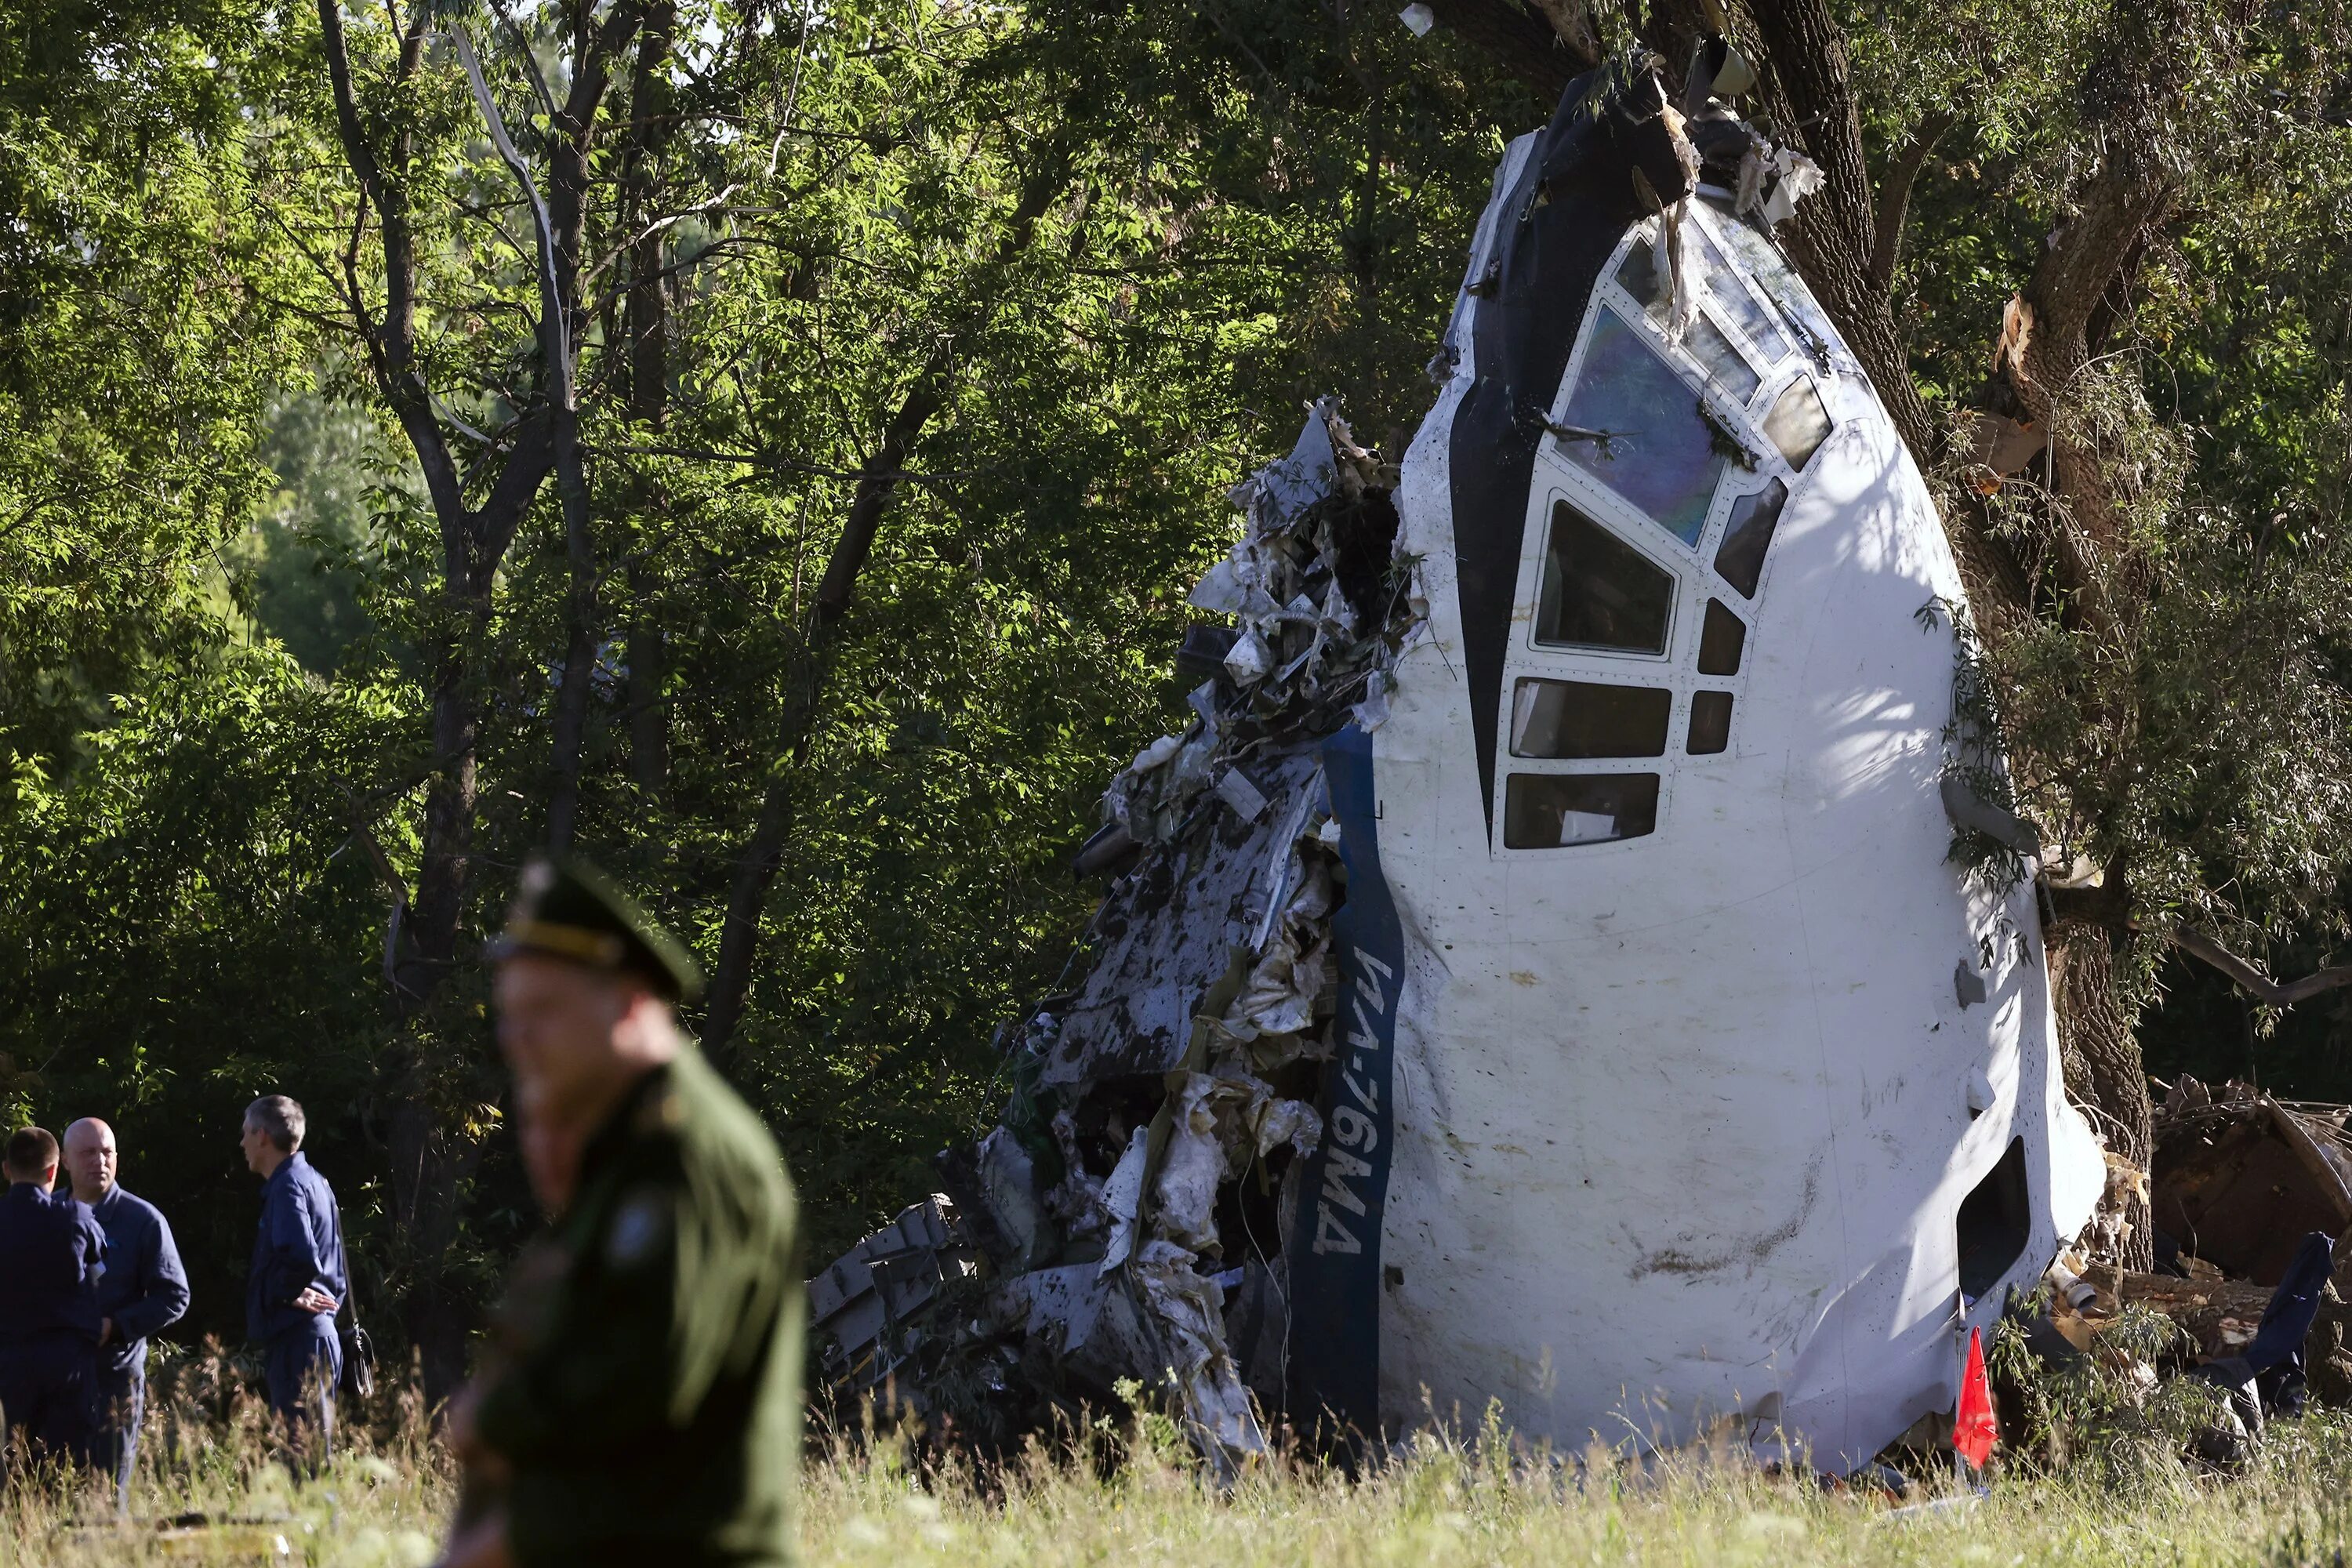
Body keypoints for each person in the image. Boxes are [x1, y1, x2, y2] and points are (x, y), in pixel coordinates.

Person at [435, 855, 803, 1568]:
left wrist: (509, 1524)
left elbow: (641, 1408)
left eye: (542, 1012)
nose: (517, 1040)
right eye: (509, 1018)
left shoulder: (686, 1156)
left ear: (631, 1004)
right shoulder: (624, 1150)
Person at [63, 1117, 190, 1498]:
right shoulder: (48, 1215)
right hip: (52, 1381)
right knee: (46, 1494)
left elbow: (174, 1296)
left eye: (107, 1153)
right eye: (87, 1153)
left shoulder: (142, 1220)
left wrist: (115, 1327)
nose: (99, 1161)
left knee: (104, 1497)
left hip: (113, 1382)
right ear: (65, 1161)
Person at [241, 1094, 347, 1465]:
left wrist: (287, 1294)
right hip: (317, 1335)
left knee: (303, 1460)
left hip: (299, 1339)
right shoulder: (315, 1181)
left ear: (262, 1136)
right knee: (313, 1455)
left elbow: (302, 1257)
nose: (242, 1144)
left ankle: (314, 1527)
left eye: (245, 1134)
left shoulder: (288, 1187)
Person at [0, 1127, 107, 1469]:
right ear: (53, 1171)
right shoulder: (74, 1217)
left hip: (8, 1360)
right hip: (66, 1363)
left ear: (6, 1170)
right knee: (66, 1466)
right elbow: (98, 1268)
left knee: (10, 1463)